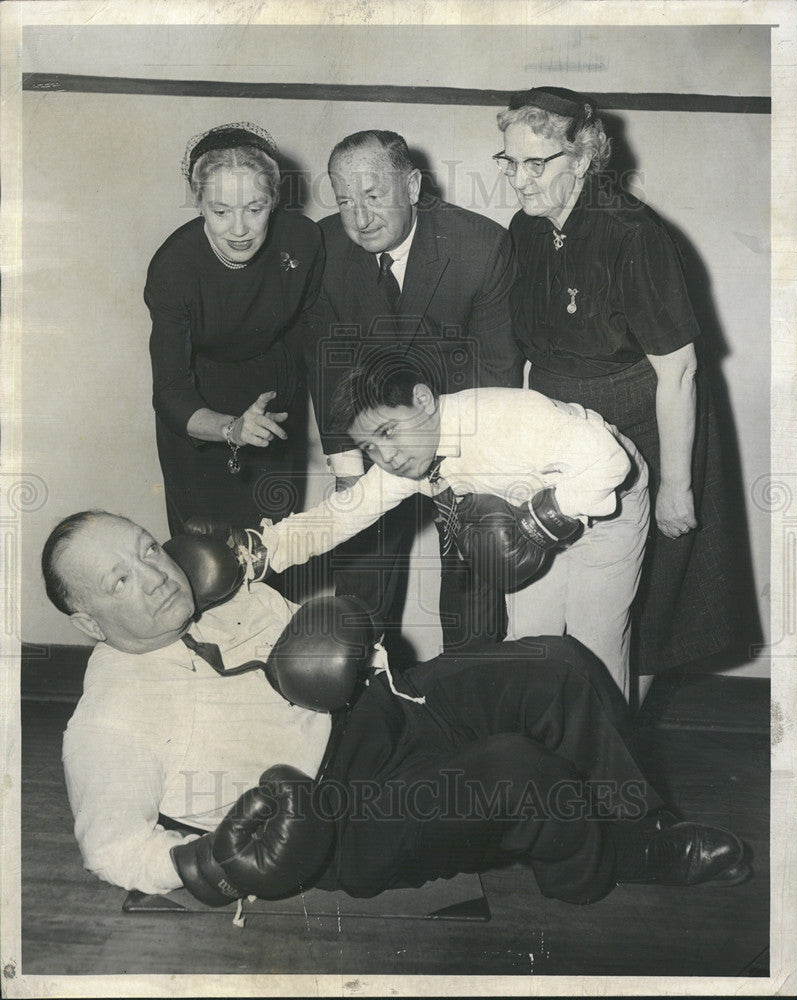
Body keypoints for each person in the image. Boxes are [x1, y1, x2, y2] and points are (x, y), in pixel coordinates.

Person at [43, 510, 748, 905]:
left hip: (387, 711)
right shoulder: (110, 718)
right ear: (87, 620)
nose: (157, 578)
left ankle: (642, 820)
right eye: (120, 580)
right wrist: (205, 862)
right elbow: (110, 847)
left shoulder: (214, 588)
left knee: (553, 665)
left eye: (146, 550)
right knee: (520, 774)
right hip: (343, 813)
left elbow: (315, 652)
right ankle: (608, 865)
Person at [495, 86, 745, 692]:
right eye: (509, 162)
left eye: (537, 163)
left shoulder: (632, 232)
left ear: (582, 158)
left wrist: (677, 488)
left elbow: (679, 370)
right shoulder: (525, 232)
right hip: (556, 439)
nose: (519, 181)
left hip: (640, 438)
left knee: (617, 622)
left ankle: (606, 769)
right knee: (532, 614)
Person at [258, 346, 650, 699]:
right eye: (370, 448)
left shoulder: (500, 417)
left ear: (424, 401)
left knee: (594, 651)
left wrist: (538, 522)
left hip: (608, 503)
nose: (386, 456)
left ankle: (611, 775)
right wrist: (261, 550)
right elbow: (340, 515)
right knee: (531, 646)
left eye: (388, 432)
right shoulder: (406, 463)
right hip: (529, 516)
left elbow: (610, 460)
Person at [304, 130, 523, 654]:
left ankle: (469, 715)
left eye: (373, 196)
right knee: (359, 583)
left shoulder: (480, 245)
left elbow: (497, 374)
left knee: (472, 585)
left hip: (459, 435)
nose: (359, 219)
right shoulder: (323, 249)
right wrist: (347, 471)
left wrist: (461, 474)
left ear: (413, 185)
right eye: (344, 201)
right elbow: (326, 365)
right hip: (371, 442)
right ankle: (360, 715)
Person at [145, 122, 323, 536]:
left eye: (255, 209)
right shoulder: (173, 269)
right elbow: (169, 390)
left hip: (271, 402)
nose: (239, 229)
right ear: (199, 203)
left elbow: (312, 335)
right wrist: (230, 429)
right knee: (208, 557)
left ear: (274, 201)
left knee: (273, 547)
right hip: (199, 406)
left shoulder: (303, 240)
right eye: (221, 211)